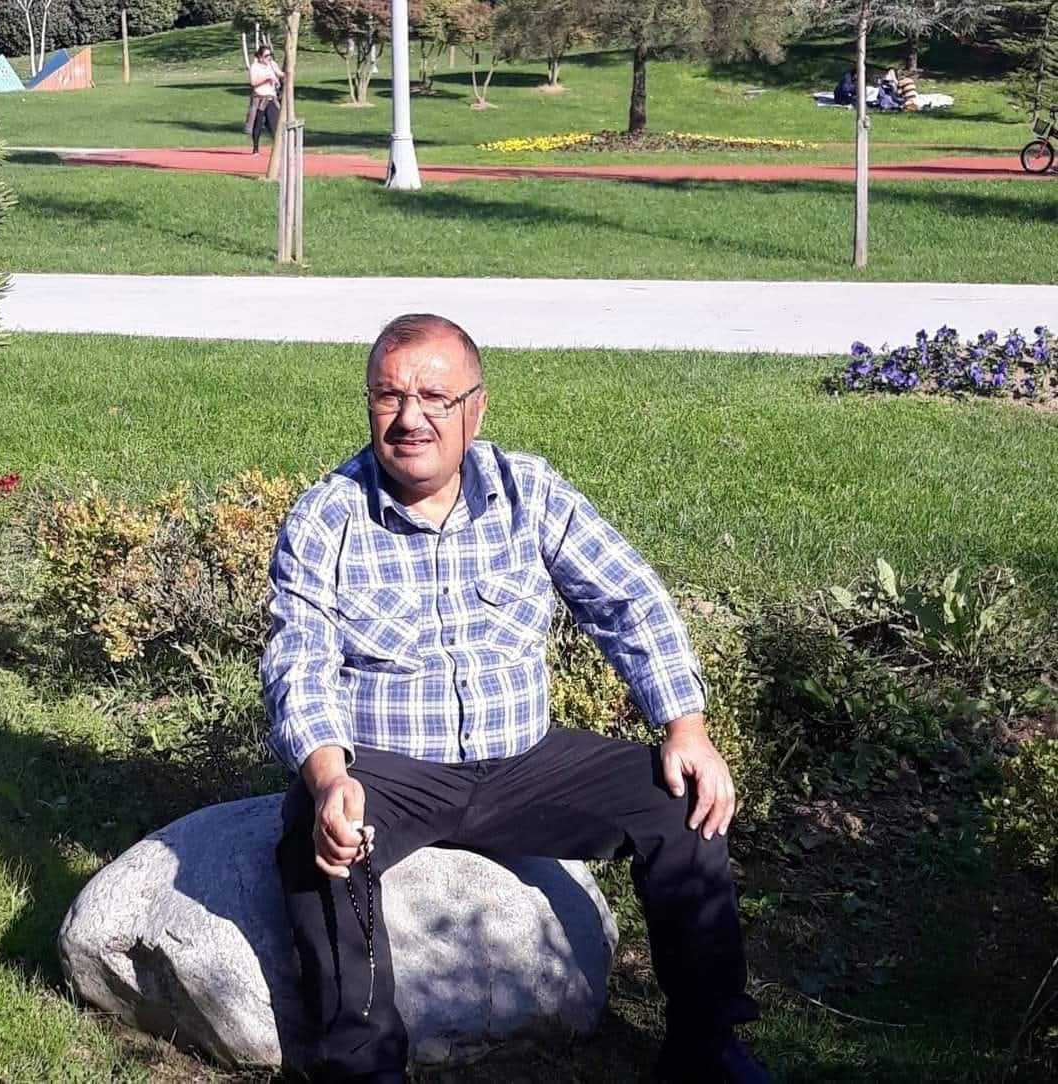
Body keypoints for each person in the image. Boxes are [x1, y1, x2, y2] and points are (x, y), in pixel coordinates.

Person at [261, 313, 777, 1084]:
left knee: (679, 803)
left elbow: (627, 599)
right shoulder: (327, 516)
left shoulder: (526, 490)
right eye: (388, 396)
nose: (409, 419)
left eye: (435, 398)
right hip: (392, 770)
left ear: (476, 408)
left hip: (524, 761)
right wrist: (331, 777)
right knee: (319, 831)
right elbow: (298, 657)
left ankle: (707, 1046)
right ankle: (362, 1065)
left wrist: (686, 725)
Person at [246, 45, 282, 155]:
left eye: (270, 55)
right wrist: (266, 78)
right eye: (266, 56)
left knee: (274, 123)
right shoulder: (255, 67)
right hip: (259, 98)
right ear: (260, 57)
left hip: (271, 98)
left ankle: (277, 148)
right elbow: (253, 82)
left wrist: (287, 73)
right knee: (257, 124)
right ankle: (255, 148)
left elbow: (280, 74)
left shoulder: (272, 64)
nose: (269, 57)